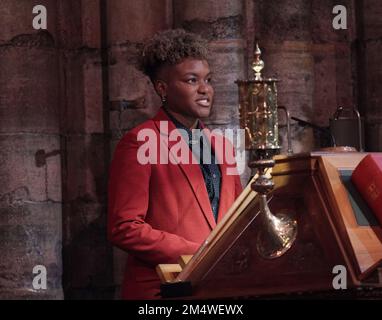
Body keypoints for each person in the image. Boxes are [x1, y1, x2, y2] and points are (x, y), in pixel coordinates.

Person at [108, 29, 243, 300]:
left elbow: (237, 218)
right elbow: (124, 227)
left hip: (218, 291)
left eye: (208, 80)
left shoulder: (224, 147)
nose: (205, 89)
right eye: (192, 80)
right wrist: (201, 253)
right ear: (162, 89)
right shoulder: (139, 142)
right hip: (164, 290)